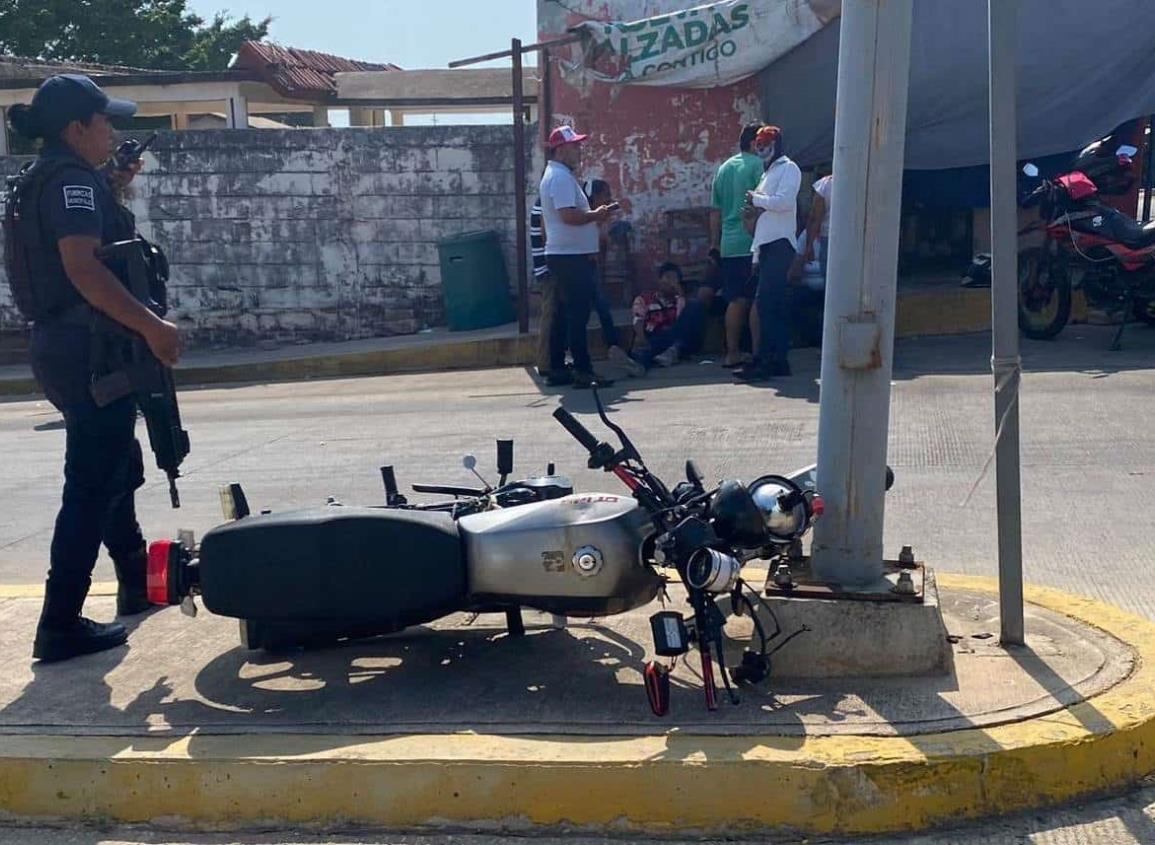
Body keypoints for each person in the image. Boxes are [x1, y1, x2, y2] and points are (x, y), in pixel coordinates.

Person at [4, 75, 184, 662]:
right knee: (89, 484)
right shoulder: (71, 185)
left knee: (113, 465)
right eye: (105, 121)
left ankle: (134, 579)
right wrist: (152, 327)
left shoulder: (55, 179)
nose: (113, 130)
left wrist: (111, 186)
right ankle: (59, 622)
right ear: (76, 127)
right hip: (88, 349)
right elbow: (83, 269)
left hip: (70, 346)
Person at [538, 125, 618, 389]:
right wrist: (597, 214)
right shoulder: (560, 178)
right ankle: (583, 370)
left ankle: (559, 367)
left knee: (564, 314)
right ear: (560, 150)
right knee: (577, 314)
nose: (579, 151)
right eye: (574, 146)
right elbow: (568, 216)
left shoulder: (558, 175)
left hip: (566, 254)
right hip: (570, 257)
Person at [735, 125, 801, 382]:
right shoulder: (768, 173)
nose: (760, 148)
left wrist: (756, 200)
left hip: (780, 244)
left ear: (776, 144)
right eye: (758, 144)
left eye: (765, 143)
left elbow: (784, 202)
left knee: (766, 304)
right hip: (766, 245)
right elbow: (762, 219)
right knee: (773, 306)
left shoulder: (788, 169)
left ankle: (765, 361)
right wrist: (754, 255)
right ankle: (778, 361)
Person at [710, 122, 764, 368]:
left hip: (729, 243)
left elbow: (715, 211)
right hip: (752, 240)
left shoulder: (723, 168)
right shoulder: (758, 165)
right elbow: (762, 205)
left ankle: (731, 352)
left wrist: (715, 244)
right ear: (756, 143)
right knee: (756, 299)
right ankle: (757, 353)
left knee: (735, 299)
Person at [584, 178, 643, 377]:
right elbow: (600, 240)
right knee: (587, 311)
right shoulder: (586, 214)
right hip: (582, 267)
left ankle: (614, 347)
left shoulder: (597, 216)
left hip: (591, 266)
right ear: (595, 197)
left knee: (601, 308)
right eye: (605, 195)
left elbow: (603, 243)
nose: (608, 199)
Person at [629, 262, 706, 371]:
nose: (670, 283)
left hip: (676, 336)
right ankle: (637, 364)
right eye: (668, 278)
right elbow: (638, 319)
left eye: (674, 279)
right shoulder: (645, 299)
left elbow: (683, 323)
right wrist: (641, 338)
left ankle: (673, 351)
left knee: (695, 306)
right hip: (655, 336)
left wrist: (679, 295)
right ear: (659, 280)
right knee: (649, 348)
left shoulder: (680, 301)